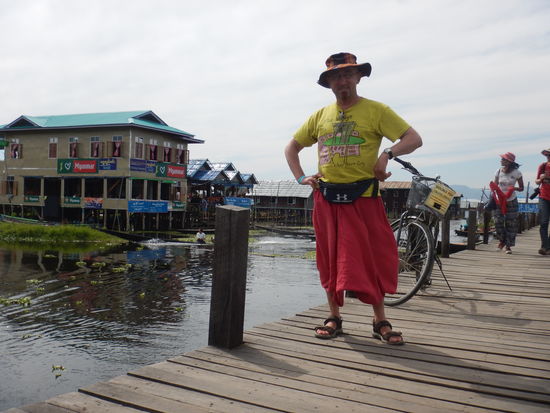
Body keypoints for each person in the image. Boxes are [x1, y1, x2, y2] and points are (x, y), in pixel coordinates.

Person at [284, 52, 422, 345]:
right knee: (330, 259)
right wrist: (300, 177)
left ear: (359, 78)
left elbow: (413, 138)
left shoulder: (377, 110)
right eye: (336, 76)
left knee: (375, 257)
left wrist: (387, 154)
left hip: (365, 198)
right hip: (327, 200)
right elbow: (291, 148)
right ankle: (334, 316)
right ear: (329, 83)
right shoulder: (320, 116)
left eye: (348, 74)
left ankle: (379, 319)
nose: (342, 81)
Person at [490, 152, 524, 254]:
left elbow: (522, 188)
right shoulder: (498, 171)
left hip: (511, 200)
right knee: (497, 222)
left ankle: (508, 246)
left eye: (503, 159)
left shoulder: (517, 173)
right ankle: (502, 240)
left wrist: (514, 188)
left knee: (511, 223)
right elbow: (495, 185)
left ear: (509, 161)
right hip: (499, 201)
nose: (501, 160)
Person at [535, 147, 550, 255]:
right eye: (548, 155)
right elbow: (536, 181)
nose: (548, 157)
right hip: (544, 197)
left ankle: (547, 246)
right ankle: (545, 247)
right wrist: (541, 178)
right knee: (543, 222)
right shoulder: (543, 166)